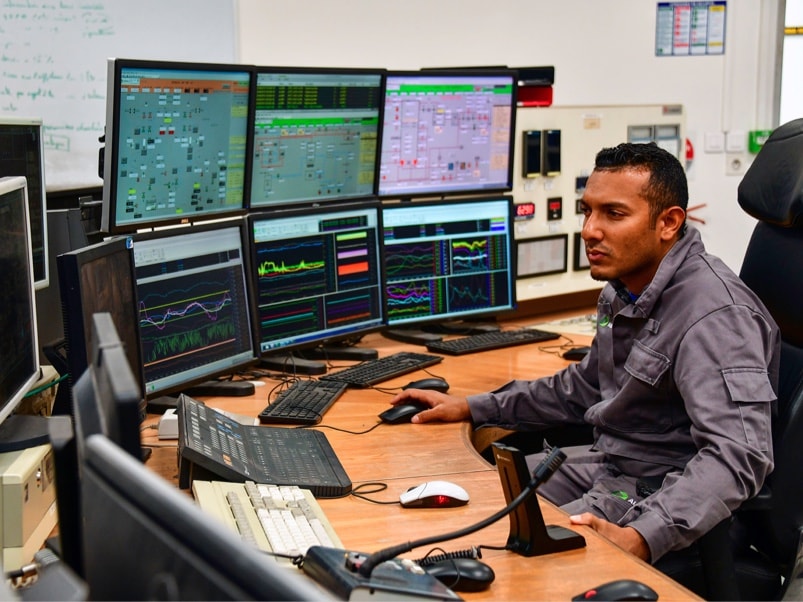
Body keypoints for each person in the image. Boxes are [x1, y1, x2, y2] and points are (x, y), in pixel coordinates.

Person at [389, 142, 780, 564]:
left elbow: (739, 455)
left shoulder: (715, 316)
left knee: (499, 559)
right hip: (604, 465)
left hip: (655, 497)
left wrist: (642, 537)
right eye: (587, 210)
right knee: (463, 516)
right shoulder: (626, 290)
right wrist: (473, 407)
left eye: (613, 214)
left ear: (668, 223)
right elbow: (585, 386)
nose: (590, 230)